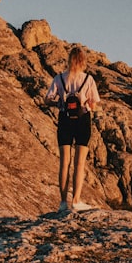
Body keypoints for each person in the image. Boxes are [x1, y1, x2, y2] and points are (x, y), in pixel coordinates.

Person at [45, 46, 100, 212]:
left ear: (69, 60)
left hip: (64, 120)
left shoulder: (60, 78)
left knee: (64, 162)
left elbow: (47, 100)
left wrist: (59, 103)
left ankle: (63, 203)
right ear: (83, 61)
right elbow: (94, 104)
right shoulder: (88, 79)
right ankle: (76, 200)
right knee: (79, 163)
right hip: (83, 120)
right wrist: (88, 105)